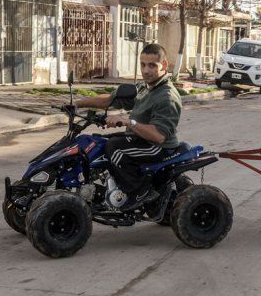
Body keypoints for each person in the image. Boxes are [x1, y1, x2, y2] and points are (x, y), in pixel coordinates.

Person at [77, 43, 182, 210]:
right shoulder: (144, 88)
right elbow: (110, 99)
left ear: (164, 65)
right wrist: (77, 103)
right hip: (140, 139)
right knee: (98, 143)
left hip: (158, 147)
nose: (146, 70)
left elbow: (159, 136)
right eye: (142, 64)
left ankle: (139, 192)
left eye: (152, 65)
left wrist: (128, 121)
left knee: (115, 148)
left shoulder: (167, 97)